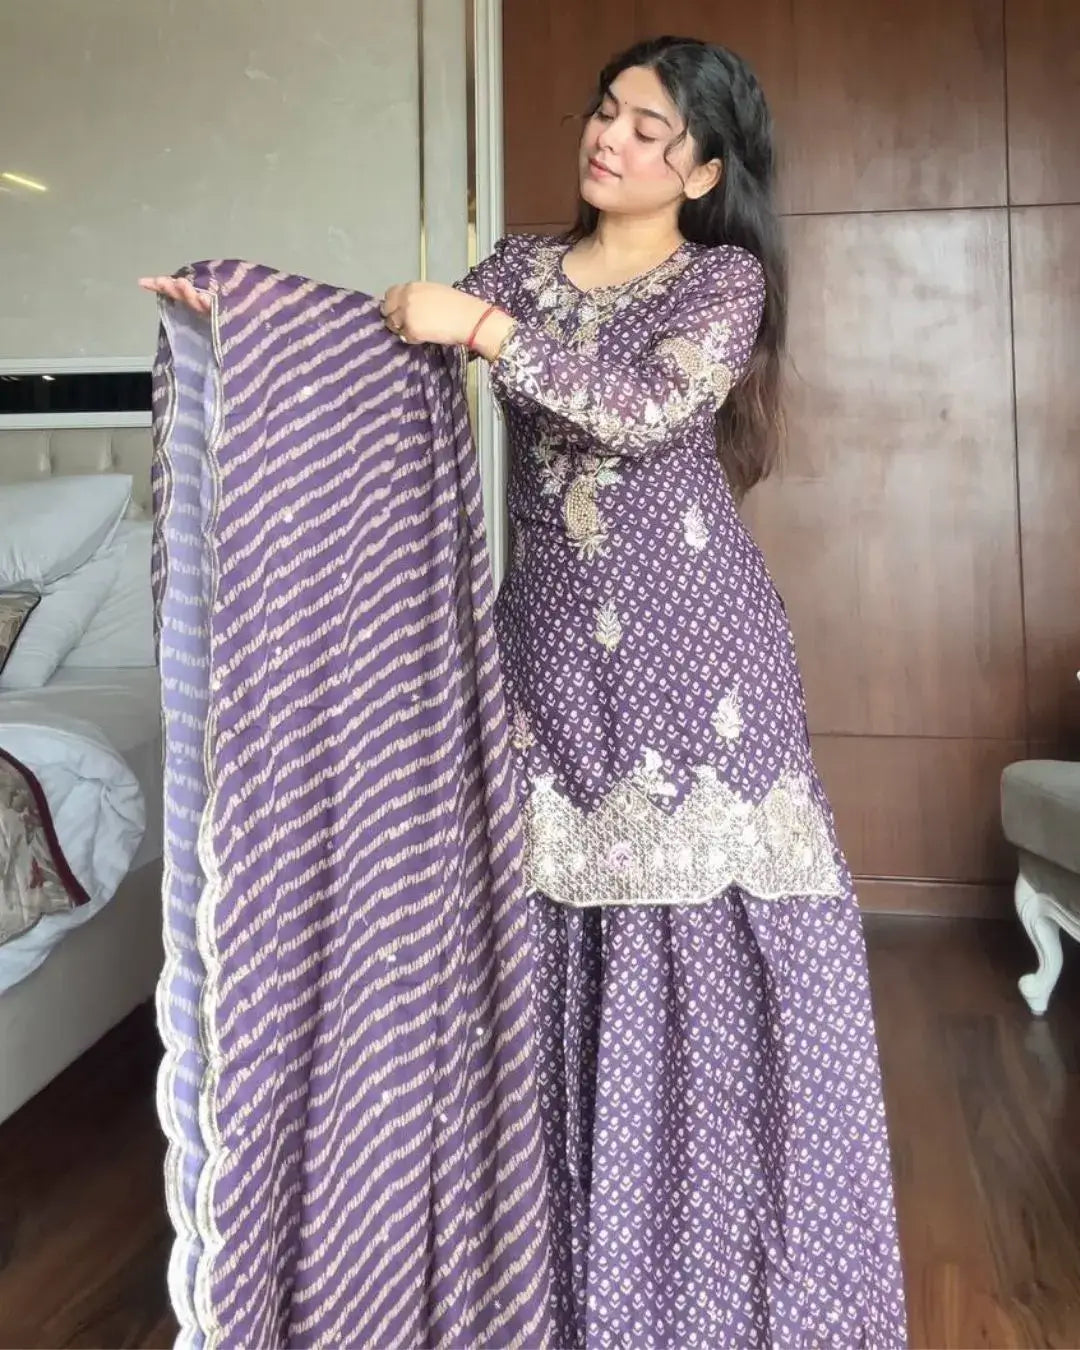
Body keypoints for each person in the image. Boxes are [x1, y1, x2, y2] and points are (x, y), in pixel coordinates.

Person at [142, 34, 906, 1349]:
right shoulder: (518, 263)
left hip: (699, 671)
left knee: (699, 962)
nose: (609, 136)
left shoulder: (716, 281)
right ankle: (568, 1296)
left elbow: (641, 409)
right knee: (554, 960)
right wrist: (245, 320)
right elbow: (387, 346)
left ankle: (717, 1303)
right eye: (607, 110)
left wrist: (487, 328)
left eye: (651, 128)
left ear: (707, 166)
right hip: (548, 666)